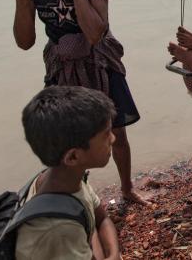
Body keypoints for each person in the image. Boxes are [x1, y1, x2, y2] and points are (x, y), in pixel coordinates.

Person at [0, 0, 148, 205]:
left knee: (115, 131)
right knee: (68, 137)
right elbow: (25, 42)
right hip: (62, 64)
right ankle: (78, 197)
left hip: (98, 60)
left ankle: (127, 189)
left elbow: (94, 33)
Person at [17, 86, 121, 259]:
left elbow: (100, 219)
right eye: (106, 135)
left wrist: (113, 254)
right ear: (73, 156)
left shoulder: (65, 177)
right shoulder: (57, 230)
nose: (113, 138)